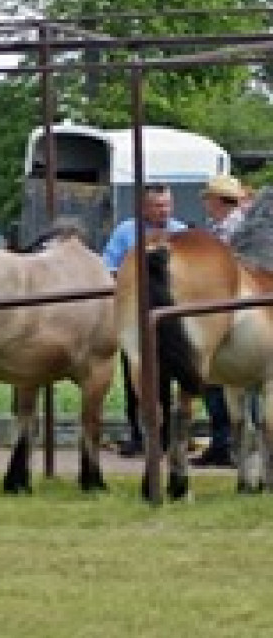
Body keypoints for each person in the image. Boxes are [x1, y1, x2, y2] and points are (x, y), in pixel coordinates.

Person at [100, 183, 187, 458]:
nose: (164, 211)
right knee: (135, 378)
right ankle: (140, 435)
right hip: (137, 316)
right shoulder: (126, 232)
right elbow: (110, 267)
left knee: (175, 376)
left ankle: (170, 437)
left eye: (167, 205)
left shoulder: (181, 231)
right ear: (143, 207)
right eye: (158, 206)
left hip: (175, 318)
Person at [191, 174, 249, 468]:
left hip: (228, 304)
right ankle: (222, 441)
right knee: (213, 378)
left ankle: (225, 442)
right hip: (221, 303)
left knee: (219, 376)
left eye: (208, 199)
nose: (206, 204)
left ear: (216, 200)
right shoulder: (219, 227)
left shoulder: (231, 229)